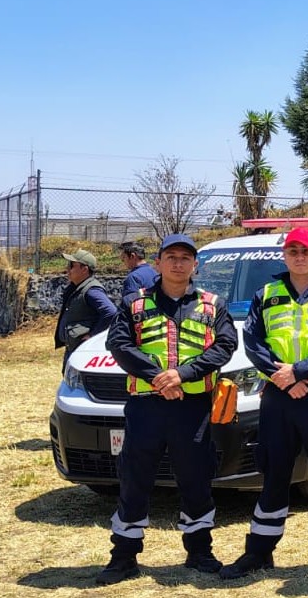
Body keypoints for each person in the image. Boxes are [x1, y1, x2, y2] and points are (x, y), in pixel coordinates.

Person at [221, 226, 308, 582]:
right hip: (277, 396)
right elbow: (252, 340)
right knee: (274, 472)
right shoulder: (266, 293)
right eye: (293, 251)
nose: (299, 257)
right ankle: (259, 552)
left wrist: (300, 372)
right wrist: (281, 376)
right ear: (285, 256)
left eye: (306, 251)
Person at [96, 234, 237, 585]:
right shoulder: (134, 303)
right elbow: (119, 344)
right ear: (157, 263)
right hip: (147, 407)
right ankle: (124, 556)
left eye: (185, 258)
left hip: (193, 409)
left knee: (196, 478)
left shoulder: (213, 305)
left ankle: (200, 551)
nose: (178, 263)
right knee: (134, 478)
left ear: (195, 265)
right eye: (170, 257)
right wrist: (160, 377)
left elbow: (226, 346)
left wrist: (182, 375)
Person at [55, 249, 117, 367]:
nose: (68, 269)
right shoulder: (77, 287)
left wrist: (92, 336)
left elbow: (111, 312)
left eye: (72, 265)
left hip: (82, 349)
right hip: (73, 347)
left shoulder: (91, 290)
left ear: (84, 269)